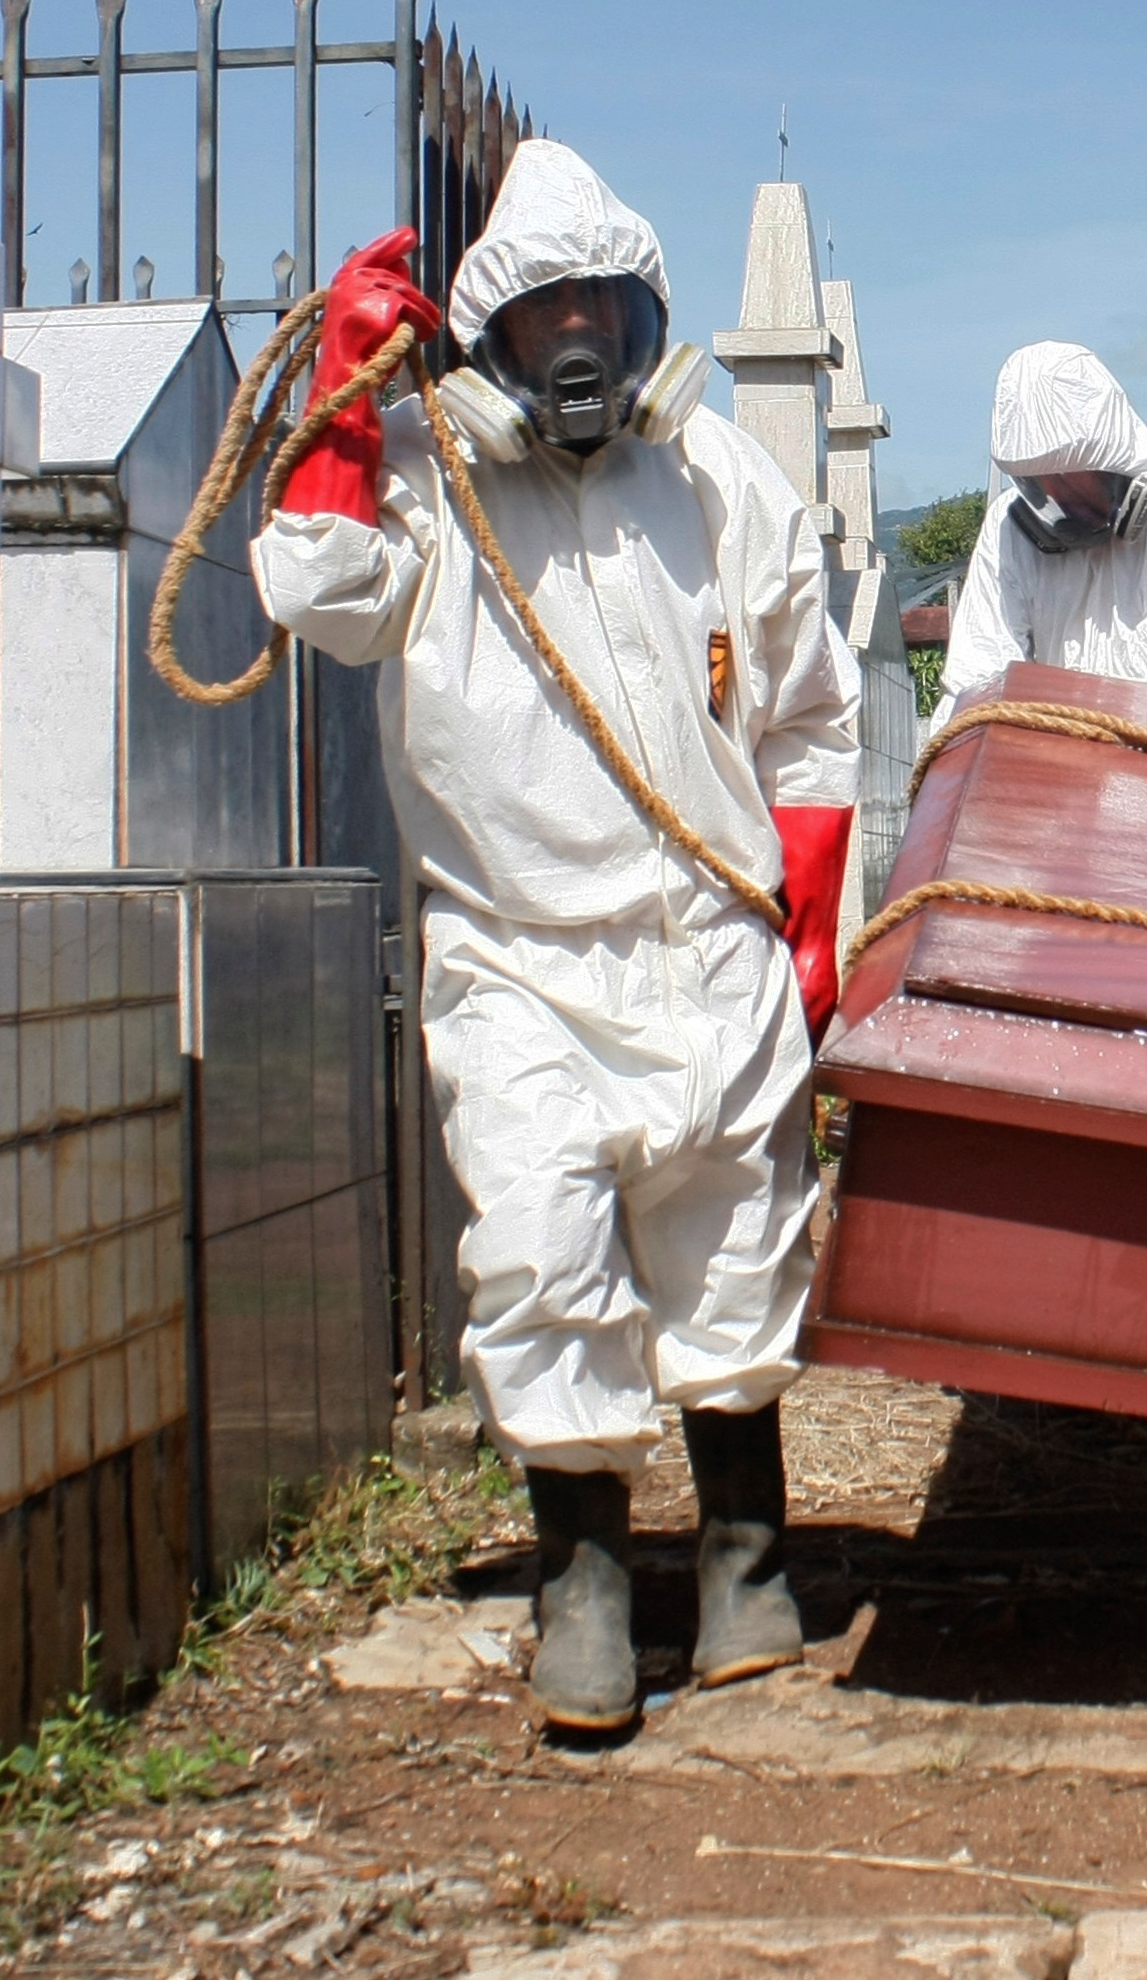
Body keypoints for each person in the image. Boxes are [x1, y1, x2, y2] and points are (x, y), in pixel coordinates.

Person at [254, 138, 860, 1732]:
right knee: (537, 1254)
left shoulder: (727, 480)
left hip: (712, 936)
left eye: (603, 304)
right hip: (516, 947)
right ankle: (583, 1582)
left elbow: (807, 716)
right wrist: (339, 397)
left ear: (645, 321)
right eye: (543, 313)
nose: (577, 340)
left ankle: (743, 1561)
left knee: (739, 1249)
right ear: (492, 337)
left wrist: (807, 918)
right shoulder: (421, 478)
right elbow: (318, 594)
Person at [937, 340, 1147, 705]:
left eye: (1067, 478)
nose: (1054, 498)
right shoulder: (1008, 524)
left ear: (1113, 462)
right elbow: (977, 679)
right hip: (1047, 754)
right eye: (1034, 484)